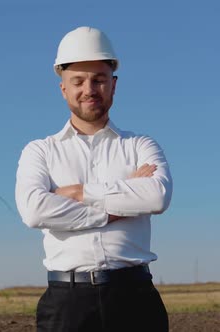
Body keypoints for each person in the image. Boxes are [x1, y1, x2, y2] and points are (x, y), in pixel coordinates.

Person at [15, 26, 173, 332]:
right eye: (78, 81)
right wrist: (116, 207)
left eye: (99, 80)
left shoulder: (141, 145)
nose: (89, 89)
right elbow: (34, 211)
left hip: (136, 298)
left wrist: (77, 192)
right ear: (63, 88)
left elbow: (156, 196)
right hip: (66, 304)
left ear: (113, 85)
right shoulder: (40, 151)